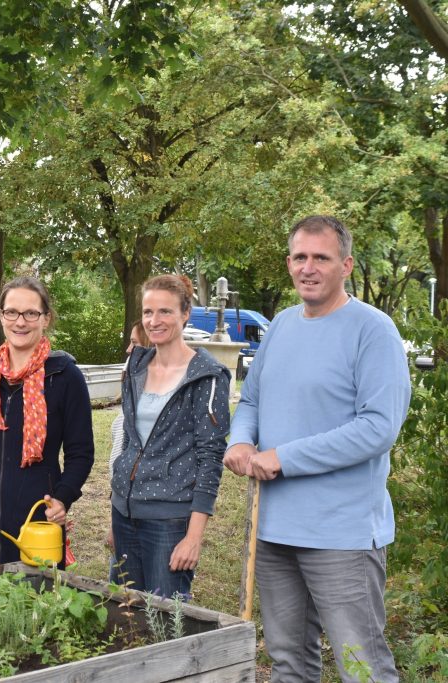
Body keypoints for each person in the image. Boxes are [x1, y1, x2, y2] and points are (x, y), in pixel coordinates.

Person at [223, 216, 411, 682]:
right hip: (272, 529)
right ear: (289, 263)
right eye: (300, 257)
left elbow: (377, 428)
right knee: (288, 662)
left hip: (341, 535)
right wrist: (242, 439)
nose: (309, 267)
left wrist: (283, 457)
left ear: (345, 264)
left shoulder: (374, 330)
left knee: (362, 666)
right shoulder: (282, 325)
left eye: (321, 258)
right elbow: (252, 400)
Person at [0, 276, 95, 570]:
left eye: (31, 313)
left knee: (32, 608)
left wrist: (63, 498)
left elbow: (81, 453)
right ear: (1, 315)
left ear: (46, 318)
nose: (20, 322)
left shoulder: (65, 377)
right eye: (11, 312)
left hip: (36, 516)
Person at [109, 275, 230, 598]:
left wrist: (193, 538)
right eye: (148, 312)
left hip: (169, 519)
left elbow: (210, 459)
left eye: (165, 312)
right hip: (124, 513)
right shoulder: (136, 366)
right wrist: (116, 506)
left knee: (167, 620)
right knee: (124, 616)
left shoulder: (207, 376)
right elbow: (127, 441)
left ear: (185, 313)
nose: (154, 321)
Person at [105, 321, 150, 552]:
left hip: (142, 509)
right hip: (122, 502)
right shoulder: (132, 387)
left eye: (134, 342)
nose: (128, 350)